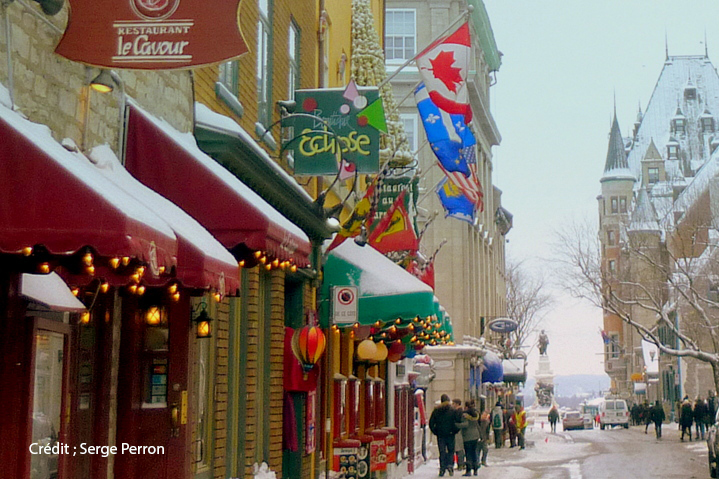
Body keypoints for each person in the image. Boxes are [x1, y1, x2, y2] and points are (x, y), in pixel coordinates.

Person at [429, 394, 461, 476]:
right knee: (451, 451)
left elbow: (431, 423)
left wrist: (436, 431)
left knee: (442, 452)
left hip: (441, 435)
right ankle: (450, 466)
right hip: (450, 434)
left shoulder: (437, 410)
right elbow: (458, 422)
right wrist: (454, 431)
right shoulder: (453, 410)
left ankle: (442, 468)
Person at [458, 400, 480, 476]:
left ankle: (468, 470)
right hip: (475, 435)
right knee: (474, 452)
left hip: (468, 436)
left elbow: (465, 424)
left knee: (468, 453)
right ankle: (476, 469)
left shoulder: (465, 415)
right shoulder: (476, 414)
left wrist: (457, 425)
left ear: (466, 406)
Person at [452, 399, 465, 472]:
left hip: (458, 431)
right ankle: (460, 463)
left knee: (459, 448)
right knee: (458, 448)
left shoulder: (458, 412)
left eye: (453, 403)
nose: (452, 405)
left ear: (457, 404)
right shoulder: (459, 411)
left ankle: (460, 464)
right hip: (458, 431)